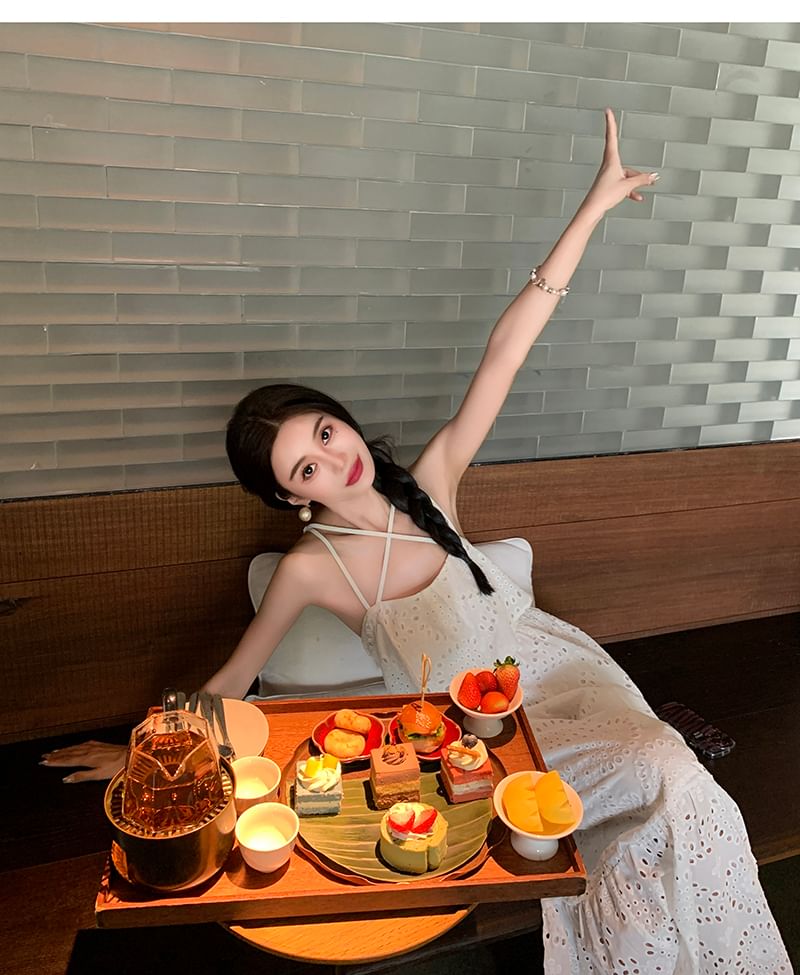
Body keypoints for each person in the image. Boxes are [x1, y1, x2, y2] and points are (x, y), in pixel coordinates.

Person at [41, 110, 790, 974]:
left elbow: (505, 353)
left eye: (327, 432)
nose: (335, 458)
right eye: (307, 466)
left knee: (676, 784)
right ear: (291, 496)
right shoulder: (311, 568)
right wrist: (142, 752)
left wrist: (591, 210)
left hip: (568, 676)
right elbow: (233, 680)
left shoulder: (431, 481)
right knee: (671, 777)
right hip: (485, 744)